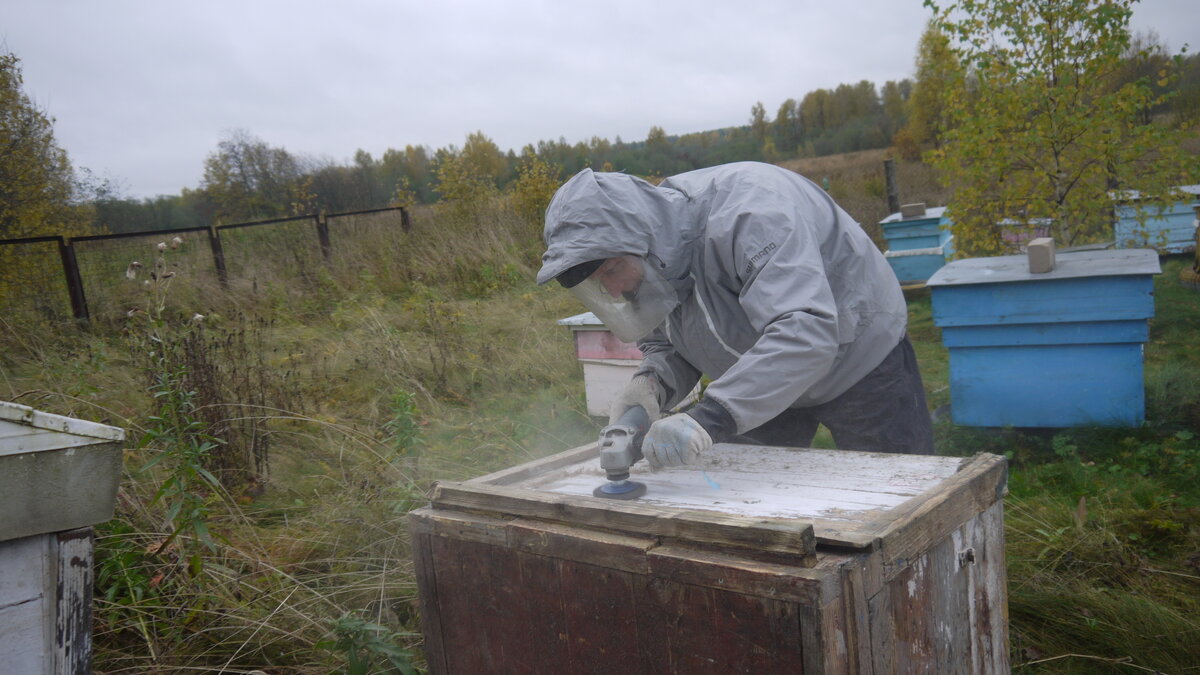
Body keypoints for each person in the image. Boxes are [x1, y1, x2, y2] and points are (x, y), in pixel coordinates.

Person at [537, 161, 934, 468]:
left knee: (898, 498)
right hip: (756, 378)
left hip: (860, 361)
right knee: (758, 506)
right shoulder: (648, 262)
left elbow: (805, 330)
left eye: (609, 272)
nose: (613, 290)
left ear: (644, 241)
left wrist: (709, 417)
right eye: (597, 285)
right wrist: (651, 383)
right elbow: (670, 342)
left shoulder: (751, 214)